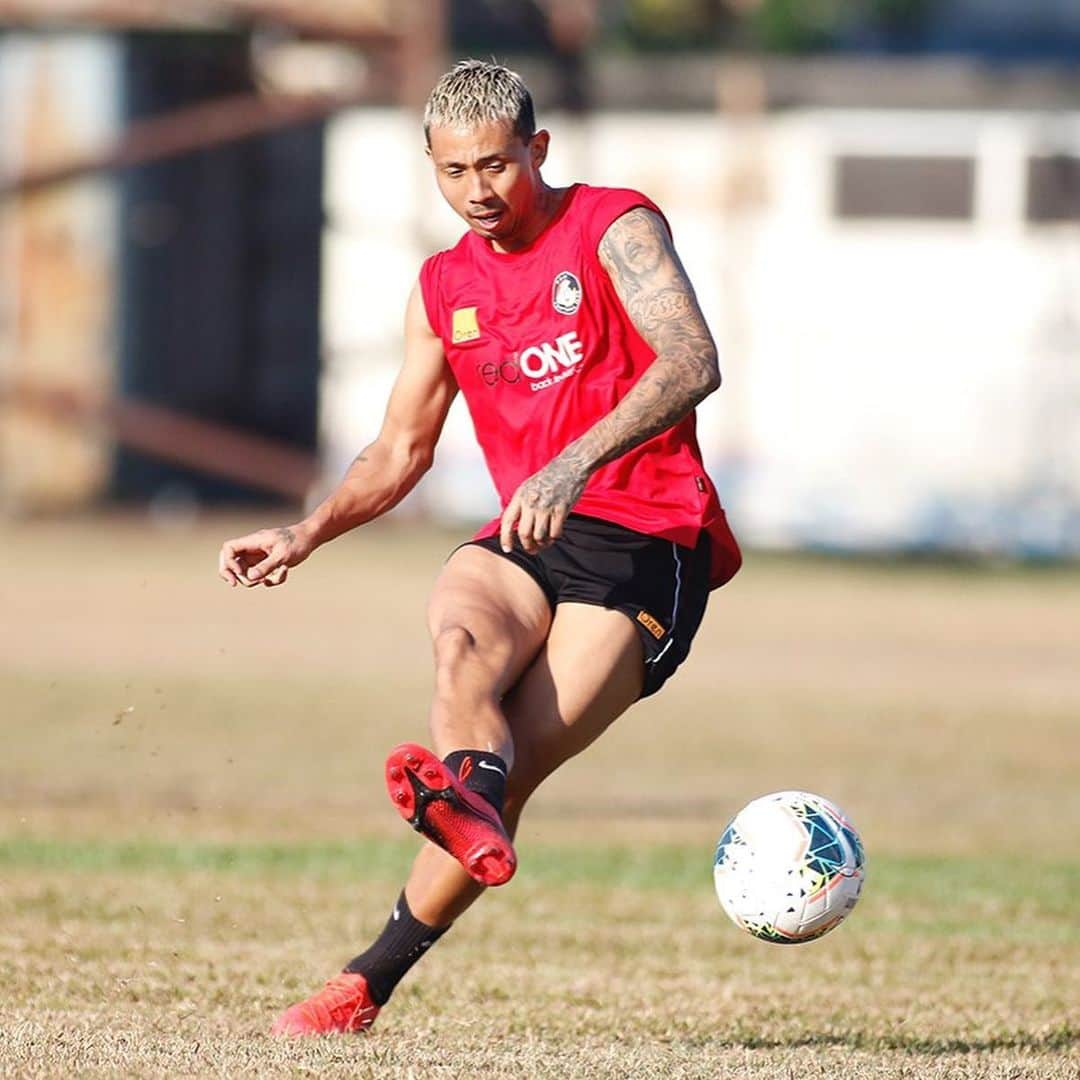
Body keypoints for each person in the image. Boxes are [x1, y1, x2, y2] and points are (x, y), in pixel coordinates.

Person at [217, 59, 741, 1036]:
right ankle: (455, 832)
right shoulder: (443, 285)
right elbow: (401, 447)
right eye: (454, 172)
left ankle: (372, 971)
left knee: (521, 754)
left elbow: (693, 358)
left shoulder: (615, 226)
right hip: (522, 540)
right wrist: (307, 530)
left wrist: (575, 461)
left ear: (537, 151)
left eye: (496, 166)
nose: (478, 192)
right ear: (431, 167)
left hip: (647, 542)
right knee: (461, 659)